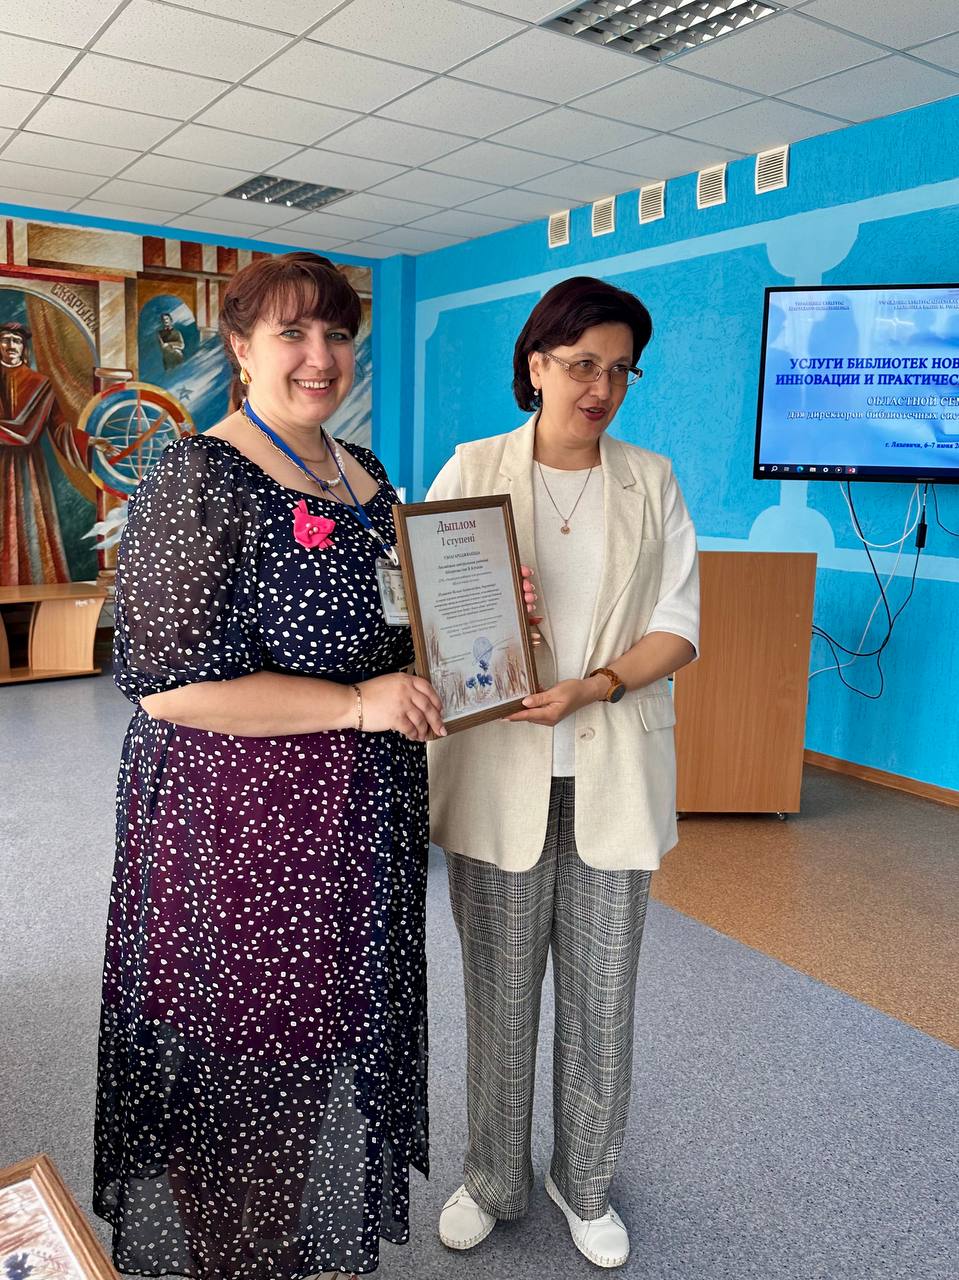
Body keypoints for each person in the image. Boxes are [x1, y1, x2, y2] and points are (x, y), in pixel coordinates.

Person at [94, 252, 444, 1280]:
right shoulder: (198, 475)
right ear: (241, 350)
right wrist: (356, 705)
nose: (319, 355)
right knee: (243, 1065)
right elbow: (164, 687)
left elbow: (387, 631)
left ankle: (282, 1241)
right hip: (243, 826)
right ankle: (232, 1256)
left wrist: (473, 615)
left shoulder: (364, 473)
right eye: (291, 333)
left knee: (318, 1048)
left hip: (358, 819)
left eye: (336, 334)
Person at [426, 276, 700, 1269]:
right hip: (497, 768)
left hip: (609, 767)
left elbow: (678, 625)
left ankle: (581, 1183)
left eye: (620, 370)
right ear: (535, 364)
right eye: (582, 364)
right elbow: (419, 604)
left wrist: (595, 685)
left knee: (602, 998)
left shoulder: (649, 479)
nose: (601, 388)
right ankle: (493, 1177)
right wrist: (473, 607)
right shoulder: (473, 468)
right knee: (498, 998)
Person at [0, 320, 88, 585]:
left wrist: (89, 442)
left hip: (28, 468)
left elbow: (59, 427)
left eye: (17, 341)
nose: (11, 345)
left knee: (28, 523)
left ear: (24, 347)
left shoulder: (39, 383)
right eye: (5, 340)